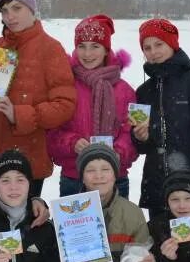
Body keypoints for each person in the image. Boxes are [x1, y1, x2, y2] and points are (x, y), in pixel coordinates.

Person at [0, 0, 76, 195]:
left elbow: (65, 105)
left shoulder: (51, 49)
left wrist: (18, 114)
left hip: (27, 162)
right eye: (4, 10)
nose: (10, 16)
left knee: (24, 227)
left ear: (32, 8)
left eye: (17, 8)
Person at [131, 18, 190, 217]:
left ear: (173, 45)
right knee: (162, 245)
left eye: (159, 44)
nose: (153, 52)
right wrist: (141, 137)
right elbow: (142, 147)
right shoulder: (143, 91)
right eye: (147, 47)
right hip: (157, 188)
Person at [47, 14, 138, 199]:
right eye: (82, 46)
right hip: (74, 178)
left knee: (117, 229)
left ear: (106, 50)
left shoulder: (125, 91)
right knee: (76, 229)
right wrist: (72, 143)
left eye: (95, 46)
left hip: (115, 178)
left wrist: (118, 152)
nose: (87, 54)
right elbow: (50, 131)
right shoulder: (65, 85)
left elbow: (132, 132)